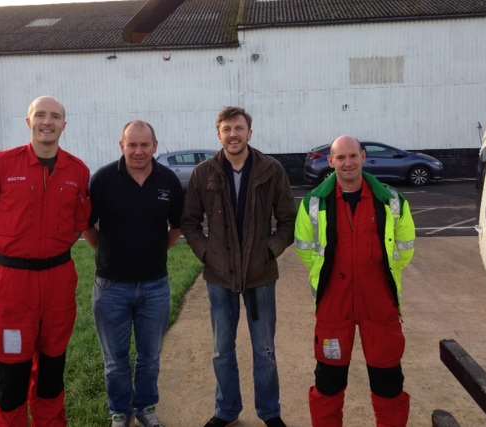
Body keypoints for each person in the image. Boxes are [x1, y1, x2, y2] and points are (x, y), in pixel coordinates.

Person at [0, 96, 91, 426]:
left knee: (52, 363)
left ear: (65, 124)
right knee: (12, 368)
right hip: (14, 284)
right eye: (40, 115)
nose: (47, 122)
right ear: (28, 121)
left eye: (55, 116)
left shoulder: (78, 171)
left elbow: (80, 222)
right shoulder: (0, 165)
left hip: (58, 280)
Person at [181, 106, 296, 427]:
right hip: (219, 276)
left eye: (239, 128)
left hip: (260, 275)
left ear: (250, 132)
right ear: (218, 134)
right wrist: (206, 253)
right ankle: (226, 410)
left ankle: (270, 412)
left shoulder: (271, 170)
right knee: (221, 350)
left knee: (264, 350)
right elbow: (189, 223)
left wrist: (270, 251)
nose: (233, 134)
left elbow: (288, 220)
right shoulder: (204, 173)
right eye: (226, 129)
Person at [294, 136, 415, 427]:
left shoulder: (392, 200)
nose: (347, 163)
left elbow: (405, 246)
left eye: (352, 156)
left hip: (380, 303)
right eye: (340, 157)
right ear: (331, 161)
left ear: (363, 157)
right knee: (328, 380)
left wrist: (377, 274)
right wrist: (330, 279)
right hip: (334, 305)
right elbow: (305, 249)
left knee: (388, 379)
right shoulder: (313, 202)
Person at [83, 120, 183, 427]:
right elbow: (88, 226)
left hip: (155, 286)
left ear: (154, 146)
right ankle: (120, 411)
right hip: (111, 286)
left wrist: (154, 251)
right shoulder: (102, 180)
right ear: (121, 145)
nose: (138, 151)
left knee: (150, 358)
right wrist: (109, 251)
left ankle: (145, 408)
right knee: (115, 360)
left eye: (144, 145)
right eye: (132, 145)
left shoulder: (168, 180)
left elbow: (176, 226)